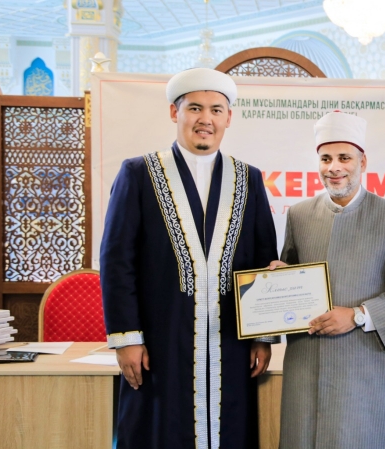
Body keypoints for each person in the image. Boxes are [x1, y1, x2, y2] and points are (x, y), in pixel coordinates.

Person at [100, 67, 278, 449]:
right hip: (160, 341)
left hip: (231, 343)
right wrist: (126, 339)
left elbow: (264, 259)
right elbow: (117, 262)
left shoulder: (249, 178)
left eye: (216, 110)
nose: (205, 119)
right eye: (195, 108)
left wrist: (262, 337)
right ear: (174, 112)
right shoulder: (138, 173)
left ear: (228, 118)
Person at [269, 111, 385, 449]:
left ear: (362, 161)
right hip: (305, 368)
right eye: (326, 159)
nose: (334, 167)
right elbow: (291, 283)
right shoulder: (299, 215)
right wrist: (277, 281)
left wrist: (357, 315)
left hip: (362, 370)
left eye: (344, 158)